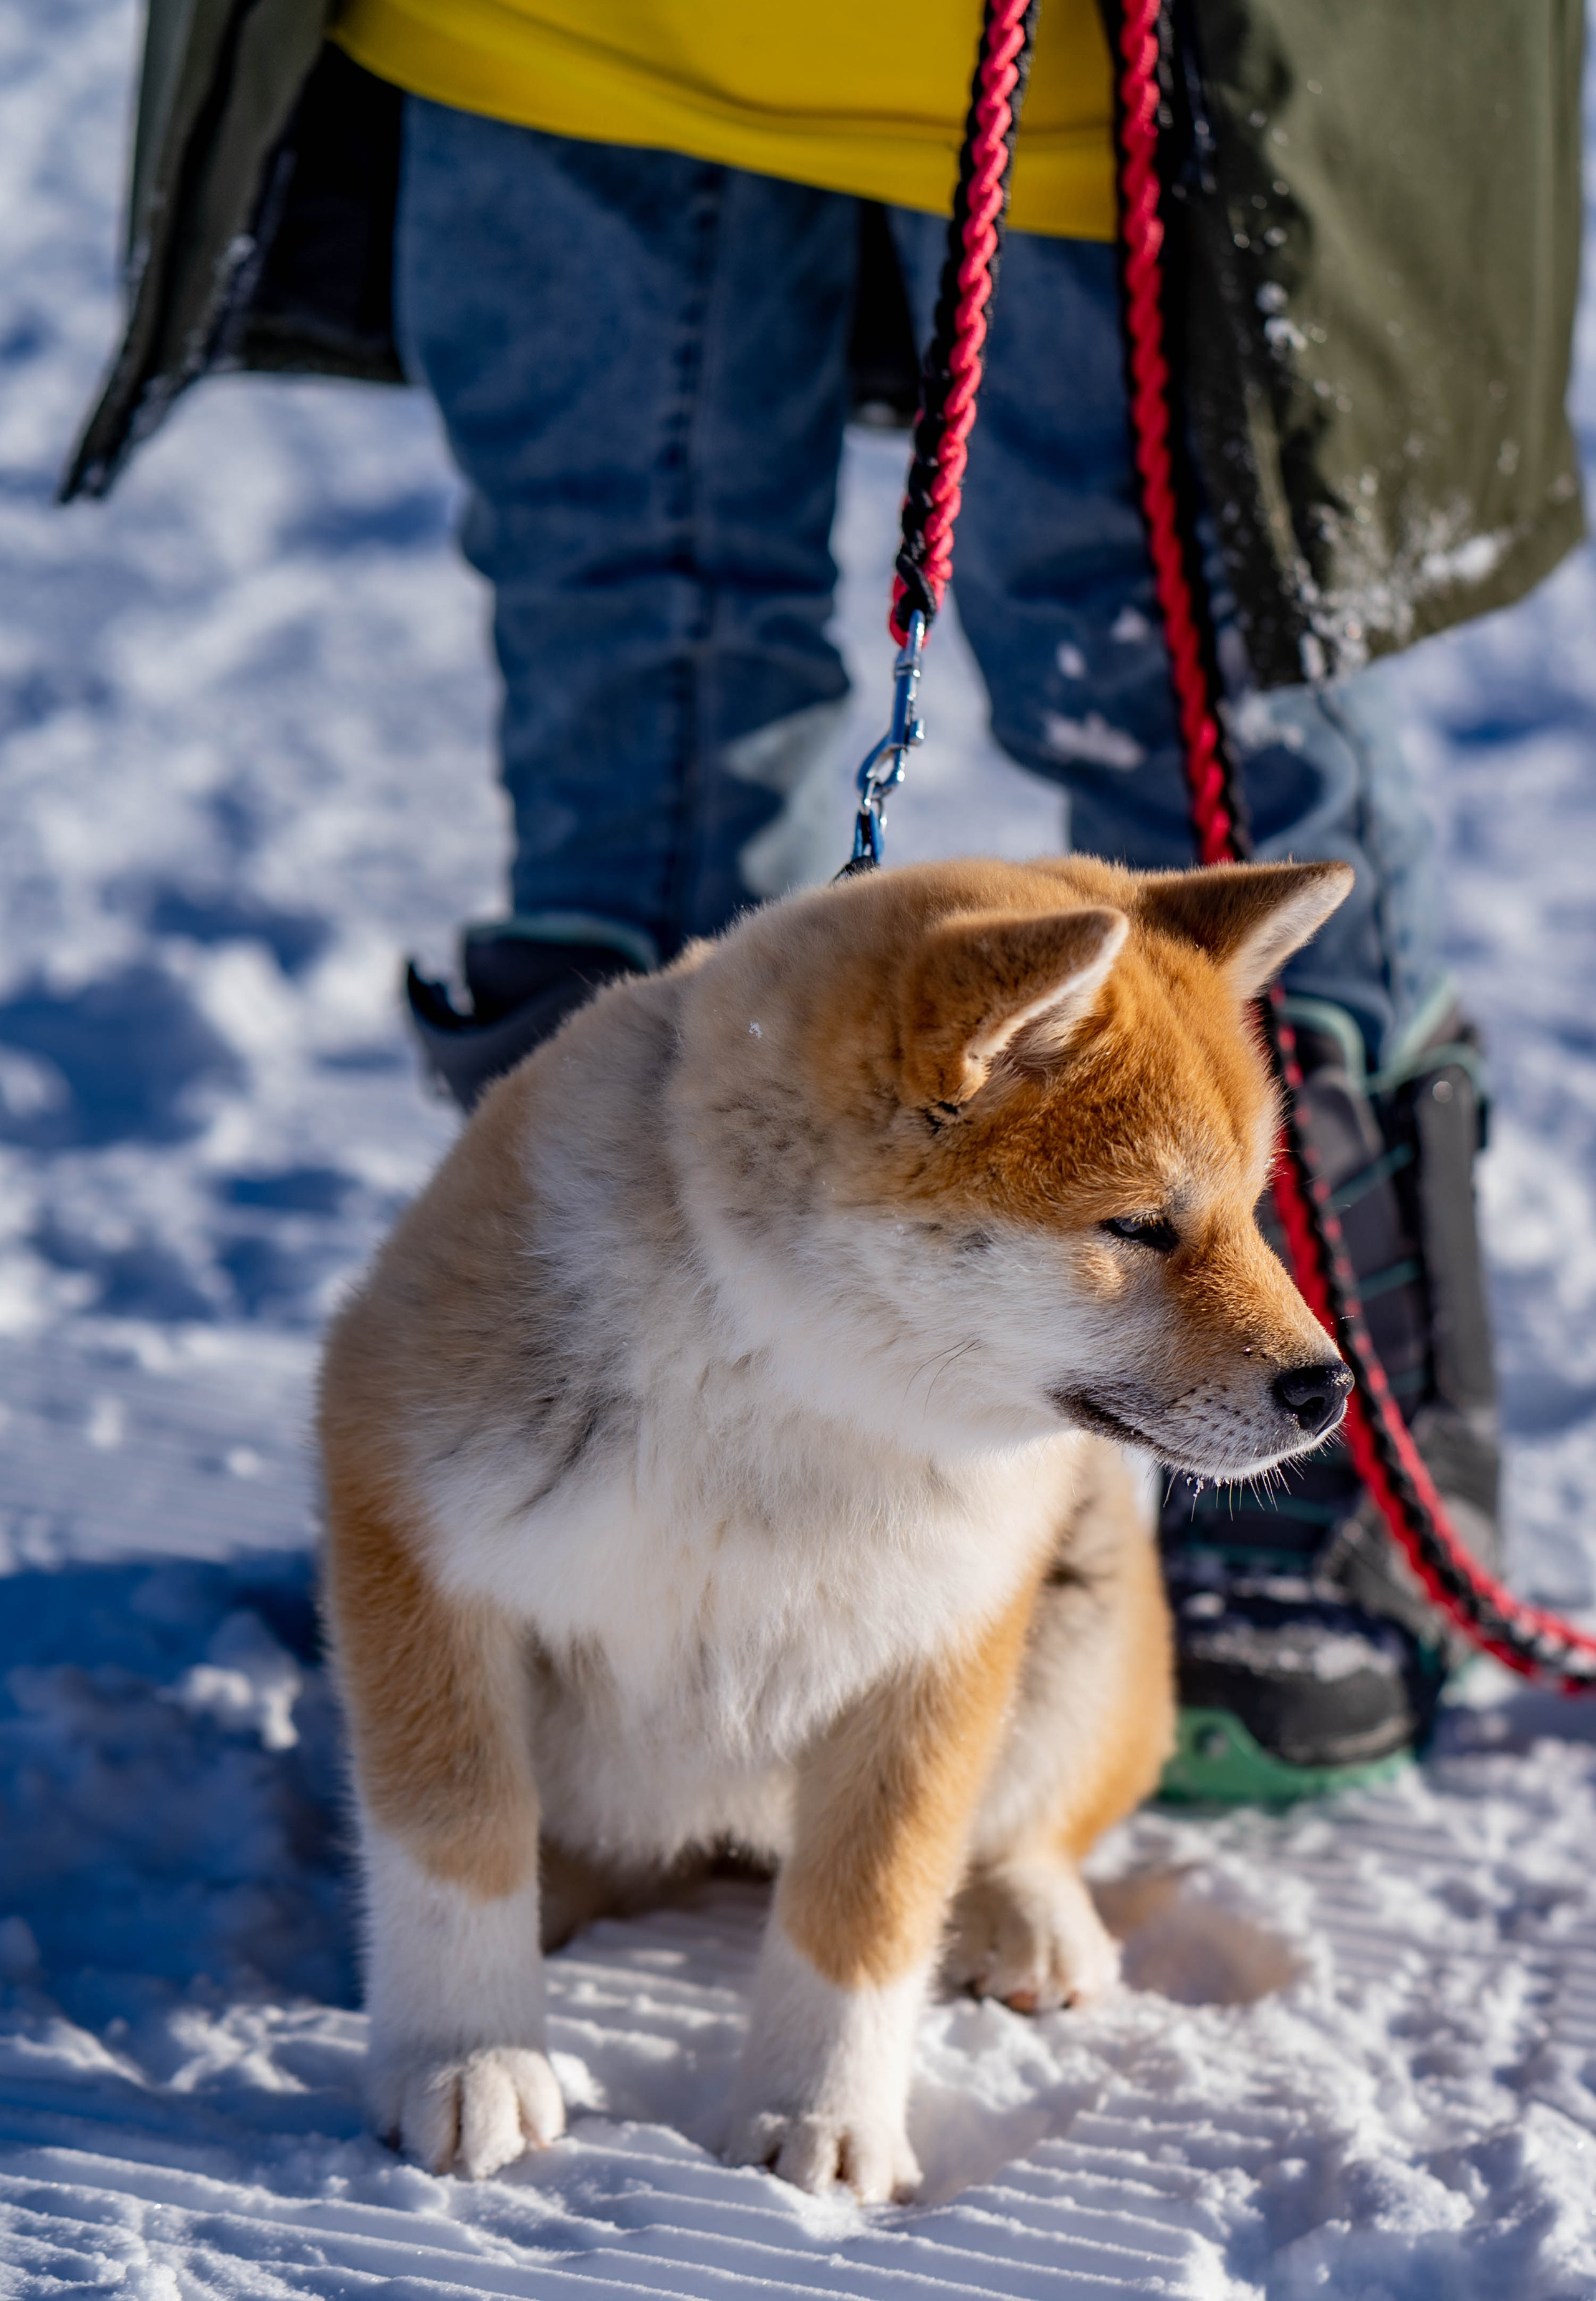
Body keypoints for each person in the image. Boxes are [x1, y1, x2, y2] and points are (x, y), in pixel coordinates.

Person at [66, 0, 1584, 1799]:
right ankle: (614, 1464)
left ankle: (1330, 1452)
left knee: (1183, 661)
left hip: (1110, 64)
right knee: (632, 648)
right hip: (547, 32)